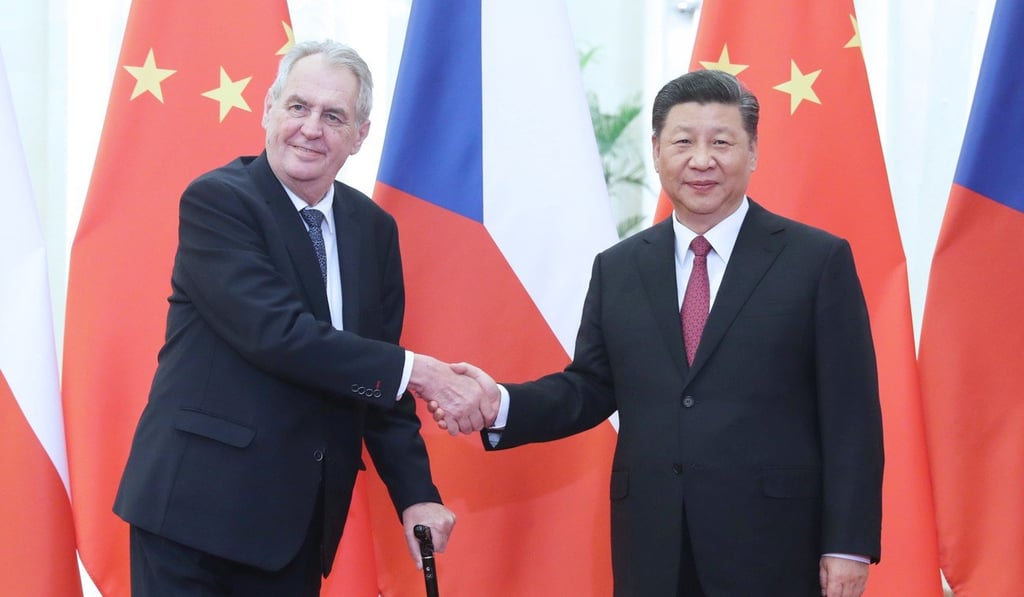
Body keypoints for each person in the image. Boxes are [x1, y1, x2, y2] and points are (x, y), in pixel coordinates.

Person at [430, 69, 884, 596]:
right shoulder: (619, 267)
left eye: (721, 142)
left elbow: (851, 414)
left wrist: (847, 544)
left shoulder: (816, 260)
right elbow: (589, 387)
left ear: (753, 151)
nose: (701, 160)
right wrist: (500, 404)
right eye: (683, 141)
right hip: (654, 545)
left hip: (774, 545)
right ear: (656, 150)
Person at [114, 40, 491, 595]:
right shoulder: (219, 203)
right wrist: (423, 373)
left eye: (333, 116)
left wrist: (417, 494)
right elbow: (278, 334)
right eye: (298, 106)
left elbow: (377, 381)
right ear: (269, 110)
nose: (311, 128)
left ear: (359, 136)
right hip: (194, 522)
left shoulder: (373, 230)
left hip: (296, 528)